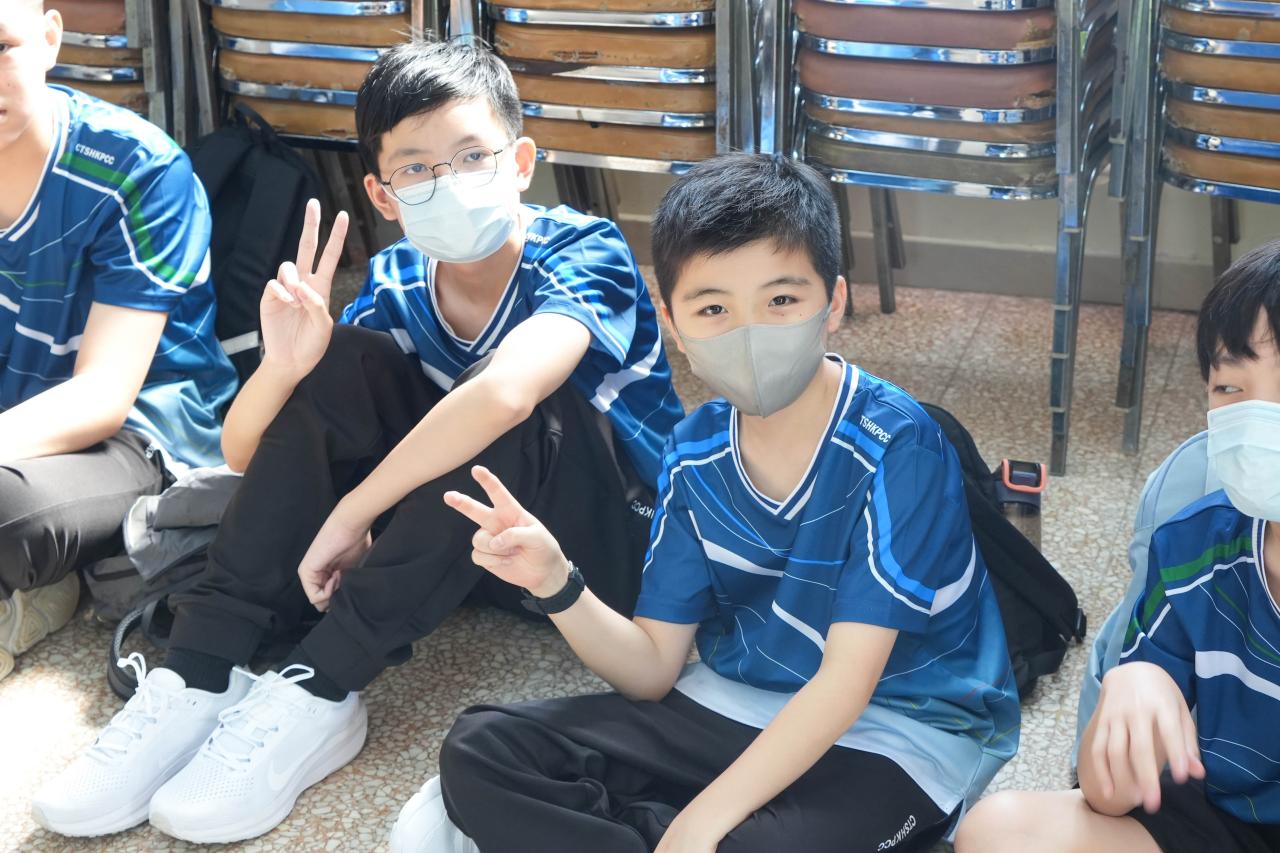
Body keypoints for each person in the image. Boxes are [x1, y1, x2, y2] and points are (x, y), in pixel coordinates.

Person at [32, 37, 682, 843]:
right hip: (469, 558)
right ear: (382, 193)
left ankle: (321, 682)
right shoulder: (399, 278)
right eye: (417, 168)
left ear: (520, 162)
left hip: (607, 557)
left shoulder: (586, 251)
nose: (448, 181)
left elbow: (507, 393)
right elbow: (243, 455)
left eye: (471, 155)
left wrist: (355, 511)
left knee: (505, 404)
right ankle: (198, 668)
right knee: (345, 356)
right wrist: (285, 367)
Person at [388, 153, 1020, 853]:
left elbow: (846, 683)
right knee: (482, 746)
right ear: (674, 325)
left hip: (899, 734)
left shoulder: (898, 443)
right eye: (713, 309)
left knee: (740, 844)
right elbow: (653, 668)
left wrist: (703, 819)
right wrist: (556, 582)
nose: (750, 333)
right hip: (728, 703)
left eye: (782, 301)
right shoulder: (694, 452)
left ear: (834, 301)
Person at [954, 240, 1280, 853]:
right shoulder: (1194, 550)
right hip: (1227, 821)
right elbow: (1107, 798)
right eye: (1230, 387)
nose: (1261, 414)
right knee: (1000, 828)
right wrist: (1134, 684)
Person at [0, 1, 236, 680]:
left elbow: (102, 395)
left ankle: (44, 581)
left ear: (50, 38)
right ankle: (38, 586)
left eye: (1, 47)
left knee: (10, 512)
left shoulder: (134, 167)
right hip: (16, 417)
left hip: (132, 431)